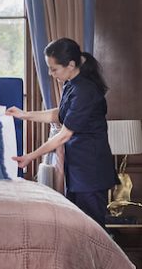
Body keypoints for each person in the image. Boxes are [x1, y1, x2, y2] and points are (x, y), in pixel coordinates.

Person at [7, 38, 118, 226]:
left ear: (71, 65)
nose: (50, 74)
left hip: (90, 169)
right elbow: (60, 114)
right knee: (78, 229)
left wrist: (30, 156)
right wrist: (24, 115)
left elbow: (65, 135)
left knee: (92, 229)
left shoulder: (85, 90)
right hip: (78, 168)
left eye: (54, 69)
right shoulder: (71, 83)